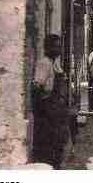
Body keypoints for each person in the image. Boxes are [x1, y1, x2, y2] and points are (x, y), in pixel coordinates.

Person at [32, 34, 72, 169]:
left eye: (60, 47)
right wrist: (44, 108)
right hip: (48, 110)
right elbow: (37, 87)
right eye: (57, 47)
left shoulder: (54, 63)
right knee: (50, 143)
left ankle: (56, 164)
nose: (59, 50)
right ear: (48, 48)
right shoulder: (44, 63)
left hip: (56, 108)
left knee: (60, 140)